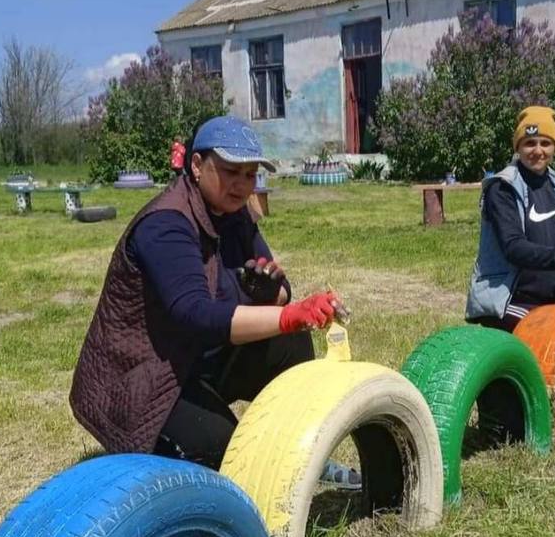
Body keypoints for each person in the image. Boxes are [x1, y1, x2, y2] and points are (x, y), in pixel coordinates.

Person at [71, 115, 357, 481]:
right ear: (195, 165)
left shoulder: (234, 212)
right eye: (230, 171)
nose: (241, 185)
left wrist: (270, 292)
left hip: (195, 357)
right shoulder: (165, 224)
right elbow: (197, 315)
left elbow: (283, 290)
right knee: (223, 454)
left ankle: (297, 457)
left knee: (291, 343)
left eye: (250, 174)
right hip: (144, 377)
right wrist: (289, 314)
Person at [466, 106, 555, 332]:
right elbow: (514, 248)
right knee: (546, 352)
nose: (537, 151)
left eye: (545, 143)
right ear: (518, 146)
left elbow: (553, 246)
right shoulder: (502, 188)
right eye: (529, 143)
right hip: (513, 300)